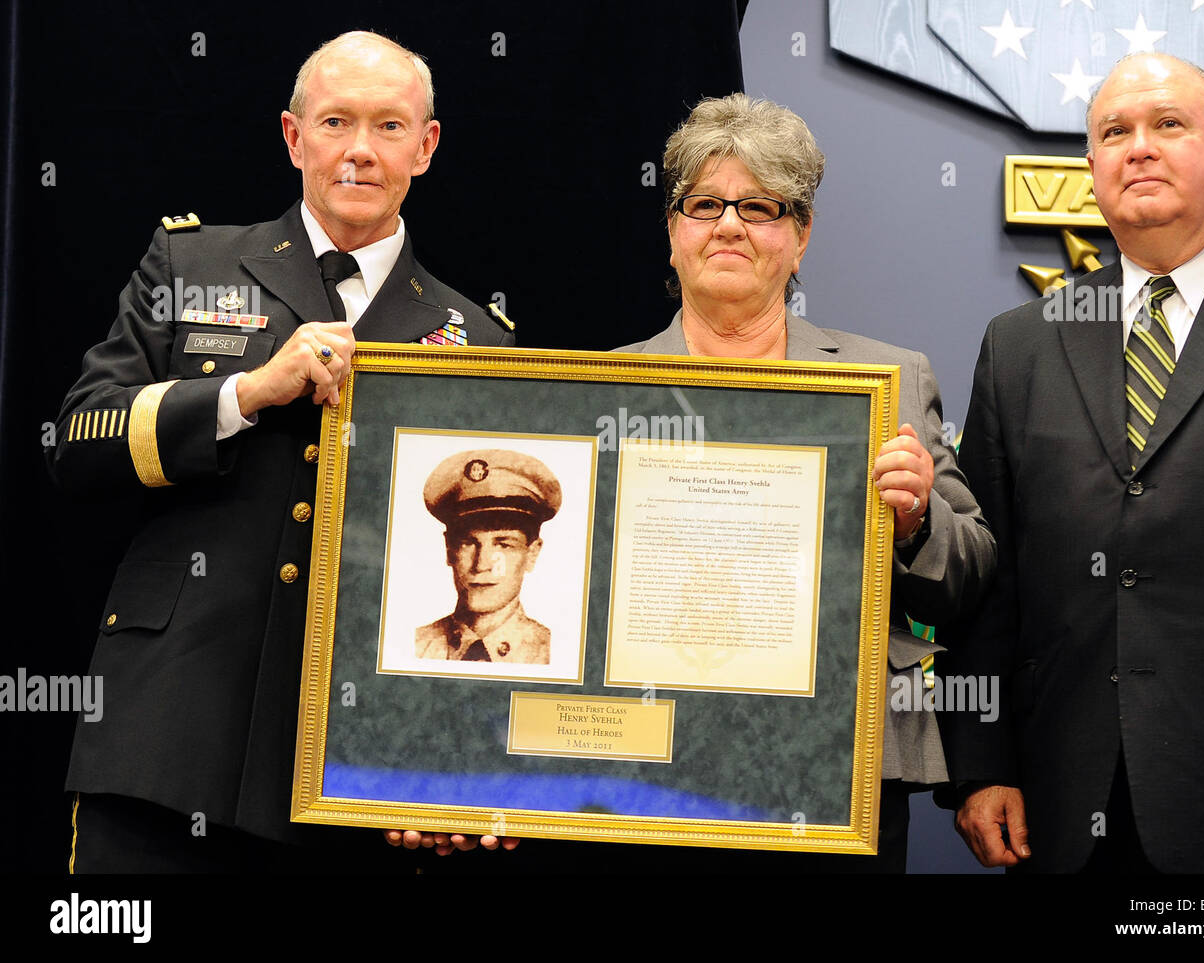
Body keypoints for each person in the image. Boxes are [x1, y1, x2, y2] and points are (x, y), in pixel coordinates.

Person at [47, 31, 515, 870]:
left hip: (351, 765)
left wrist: (455, 758)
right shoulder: (191, 261)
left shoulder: (475, 337)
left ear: (427, 146)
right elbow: (79, 442)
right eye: (336, 122)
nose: (361, 152)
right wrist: (246, 392)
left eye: (389, 127)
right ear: (295, 137)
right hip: (167, 732)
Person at [617, 93, 996, 871]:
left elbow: (975, 572)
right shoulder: (605, 390)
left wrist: (921, 517)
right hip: (644, 768)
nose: (729, 225)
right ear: (673, 232)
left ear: (801, 236)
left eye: (761, 206)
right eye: (705, 204)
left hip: (837, 769)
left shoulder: (889, 378)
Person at [940, 52, 1204, 873]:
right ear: (1092, 167)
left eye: (1168, 124)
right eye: (1114, 132)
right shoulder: (1021, 343)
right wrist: (984, 763)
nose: (1138, 147)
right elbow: (989, 581)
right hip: (1066, 796)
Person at [415, 449, 560, 664]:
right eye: (468, 543)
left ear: (532, 554)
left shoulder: (553, 654)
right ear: (449, 550)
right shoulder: (417, 647)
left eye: (503, 544)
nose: (481, 564)